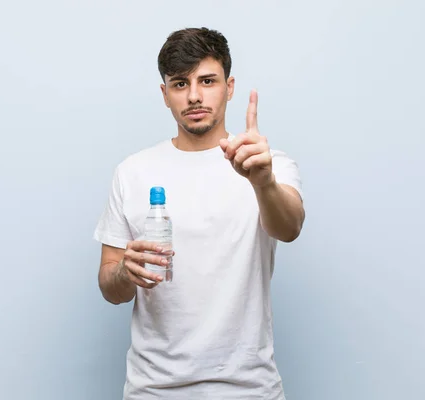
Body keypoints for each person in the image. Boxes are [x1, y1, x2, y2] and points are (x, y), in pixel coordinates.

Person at [94, 27, 305, 400]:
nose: (194, 96)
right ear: (165, 94)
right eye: (179, 84)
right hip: (154, 390)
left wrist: (263, 183)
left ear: (230, 86)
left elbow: (289, 228)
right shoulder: (133, 172)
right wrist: (126, 271)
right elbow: (110, 288)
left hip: (248, 389)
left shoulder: (266, 164)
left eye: (207, 81)